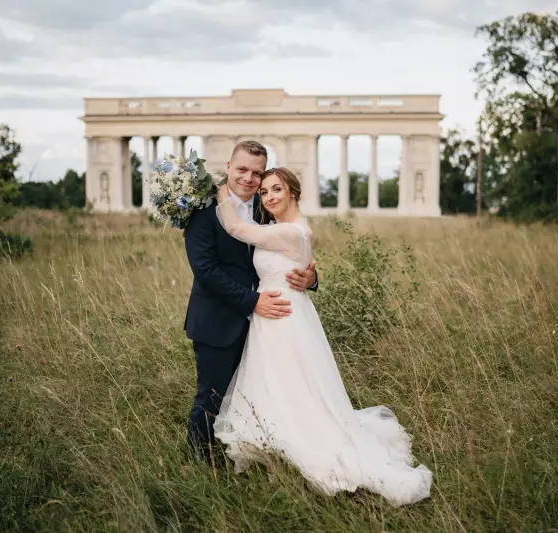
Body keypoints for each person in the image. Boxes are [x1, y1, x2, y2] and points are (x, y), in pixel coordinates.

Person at [211, 167, 432, 507]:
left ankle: (300, 449)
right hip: (271, 315)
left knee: (296, 388)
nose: (269, 197)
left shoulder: (293, 232)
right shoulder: (279, 229)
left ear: (293, 193)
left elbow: (237, 228)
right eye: (265, 192)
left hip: (285, 318)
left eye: (277, 190)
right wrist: (308, 277)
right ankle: (275, 454)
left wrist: (220, 189)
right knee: (276, 385)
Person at [183, 141, 318, 463]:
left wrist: (311, 279)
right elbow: (206, 270)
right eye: (242, 169)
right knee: (212, 396)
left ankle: (259, 456)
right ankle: (199, 464)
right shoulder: (201, 209)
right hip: (220, 319)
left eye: (257, 173)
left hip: (268, 324)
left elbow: (291, 254)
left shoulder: (266, 208)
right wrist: (252, 301)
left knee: (264, 394)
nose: (249, 179)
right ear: (228, 166)